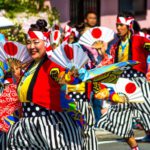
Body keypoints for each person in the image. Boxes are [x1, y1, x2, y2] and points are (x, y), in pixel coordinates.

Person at [7, 19, 82, 150]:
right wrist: (17, 77)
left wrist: (67, 77)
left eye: (36, 42)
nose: (31, 46)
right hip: (27, 125)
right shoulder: (29, 66)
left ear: (46, 43)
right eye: (28, 43)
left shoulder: (51, 64)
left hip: (50, 124)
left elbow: (61, 77)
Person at [97, 12, 150, 150]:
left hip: (138, 82)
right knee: (118, 119)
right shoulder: (115, 45)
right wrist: (102, 53)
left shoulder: (140, 40)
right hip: (121, 84)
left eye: (121, 25)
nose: (118, 28)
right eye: (117, 25)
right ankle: (135, 148)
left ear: (129, 25)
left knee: (147, 115)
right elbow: (111, 64)